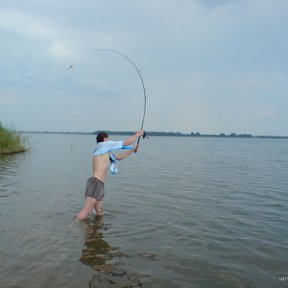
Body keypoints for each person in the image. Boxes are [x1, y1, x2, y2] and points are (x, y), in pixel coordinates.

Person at [75, 130, 144, 220]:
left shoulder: (105, 152)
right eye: (108, 138)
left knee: (99, 211)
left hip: (100, 184)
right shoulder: (103, 145)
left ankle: (96, 230)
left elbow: (119, 157)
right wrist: (138, 134)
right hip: (96, 182)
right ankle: (72, 227)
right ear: (104, 139)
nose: (110, 141)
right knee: (87, 209)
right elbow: (126, 143)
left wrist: (132, 150)